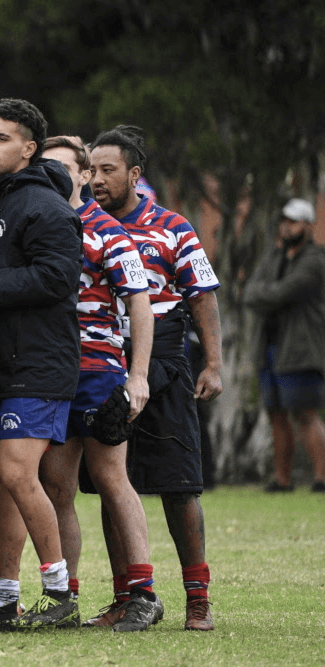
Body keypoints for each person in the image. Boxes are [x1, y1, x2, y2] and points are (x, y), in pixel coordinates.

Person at [0, 99, 83, 630]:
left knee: (16, 472)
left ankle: (59, 594)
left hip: (41, 363)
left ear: (29, 148)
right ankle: (2, 597)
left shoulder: (47, 208)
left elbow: (57, 280)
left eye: (3, 138)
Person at [89, 124, 222, 632]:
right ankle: (127, 597)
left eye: (108, 170)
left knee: (179, 485)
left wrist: (213, 363)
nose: (97, 180)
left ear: (134, 174)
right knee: (109, 481)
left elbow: (202, 295)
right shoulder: (83, 225)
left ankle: (197, 599)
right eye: (92, 170)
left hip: (165, 356)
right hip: (105, 358)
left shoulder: (172, 225)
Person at [38, 135, 161, 632]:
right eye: (48, 167)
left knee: (112, 478)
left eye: (66, 167)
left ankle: (144, 594)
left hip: (99, 372)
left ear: (85, 174)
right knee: (56, 486)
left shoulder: (109, 231)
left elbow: (139, 303)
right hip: (49, 374)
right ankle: (65, 597)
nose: (57, 175)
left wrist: (138, 375)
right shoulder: (40, 223)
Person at [244, 197, 325, 493]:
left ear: (307, 225)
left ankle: (321, 478)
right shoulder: (274, 258)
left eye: (293, 221)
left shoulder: (315, 261)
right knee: (275, 413)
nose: (286, 227)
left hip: (301, 349)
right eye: (284, 221)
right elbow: (250, 293)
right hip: (270, 349)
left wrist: (269, 293)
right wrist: (270, 293)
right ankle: (283, 479)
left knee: (306, 413)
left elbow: (284, 293)